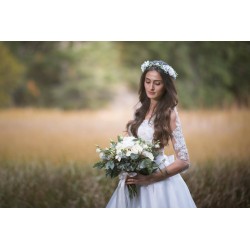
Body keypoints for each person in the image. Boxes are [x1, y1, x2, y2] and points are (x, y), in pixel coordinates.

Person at [106, 60, 196, 208]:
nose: (151, 87)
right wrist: (122, 158)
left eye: (157, 83)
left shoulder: (169, 114)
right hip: (133, 180)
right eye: (147, 82)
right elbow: (132, 142)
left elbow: (184, 161)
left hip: (157, 184)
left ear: (165, 86)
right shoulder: (140, 109)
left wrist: (150, 178)